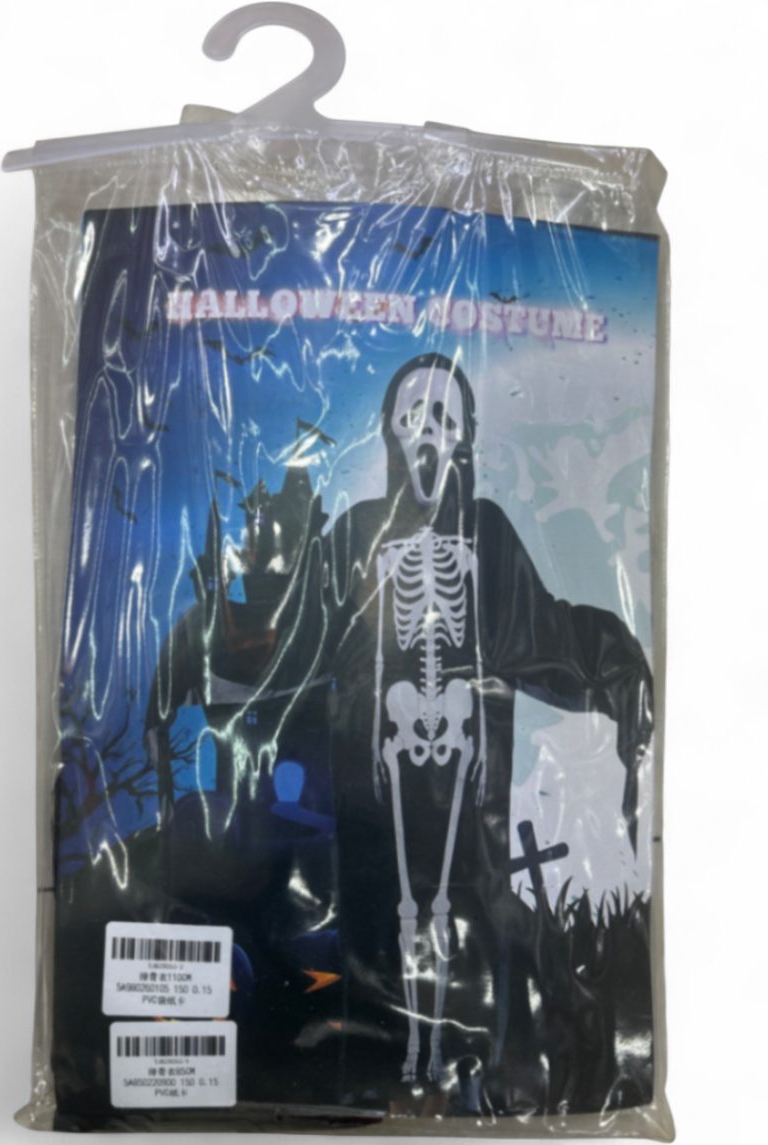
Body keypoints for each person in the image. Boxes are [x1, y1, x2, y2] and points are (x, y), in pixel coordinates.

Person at [322, 352, 653, 1103]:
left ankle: (469, 1064)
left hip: (470, 773)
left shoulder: (488, 534)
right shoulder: (358, 534)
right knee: (383, 914)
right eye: (413, 418)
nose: (427, 436)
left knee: (467, 914)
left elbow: (543, 633)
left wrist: (620, 667)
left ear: (465, 437)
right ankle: (387, 1061)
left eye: (443, 420)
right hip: (383, 764)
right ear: (390, 433)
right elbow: (301, 642)